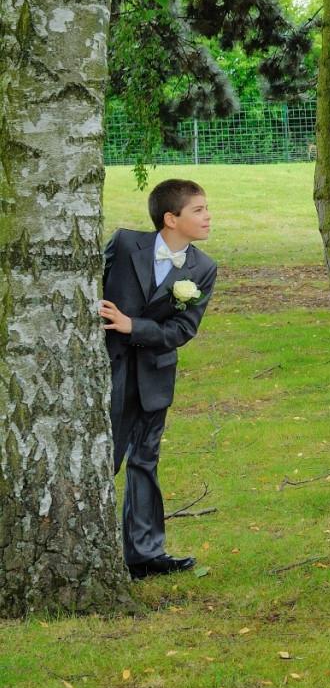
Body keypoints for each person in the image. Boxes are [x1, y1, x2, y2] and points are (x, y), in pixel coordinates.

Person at [100, 178, 217, 580]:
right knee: (105, 458)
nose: (207, 216)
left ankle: (145, 554)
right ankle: (91, 547)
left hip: (154, 377)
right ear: (171, 218)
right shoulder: (124, 243)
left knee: (145, 461)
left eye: (206, 208)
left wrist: (135, 326)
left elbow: (183, 330)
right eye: (198, 210)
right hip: (107, 372)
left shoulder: (202, 268)